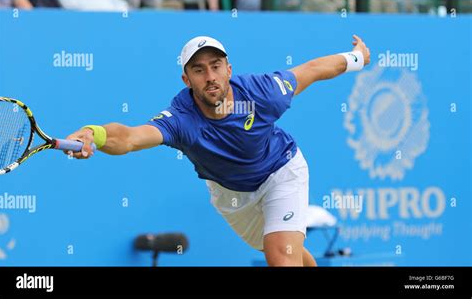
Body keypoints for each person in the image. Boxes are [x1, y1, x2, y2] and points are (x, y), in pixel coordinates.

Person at [64, 34, 371, 266]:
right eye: (199, 70)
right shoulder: (182, 120)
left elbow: (313, 70)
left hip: (281, 171)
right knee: (288, 251)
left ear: (228, 69)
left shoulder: (264, 93)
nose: (209, 76)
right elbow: (130, 138)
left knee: (281, 255)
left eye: (215, 66)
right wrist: (96, 134)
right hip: (231, 197)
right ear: (187, 80)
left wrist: (356, 57)